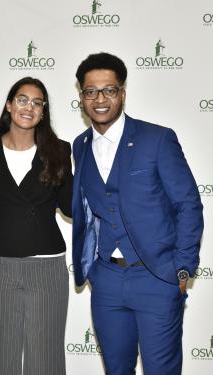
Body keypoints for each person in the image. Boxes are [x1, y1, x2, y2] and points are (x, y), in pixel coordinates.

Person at [72, 52, 203, 375]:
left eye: (109, 90)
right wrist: (93, 272)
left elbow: (188, 205)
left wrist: (181, 271)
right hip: (107, 280)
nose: (100, 99)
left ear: (123, 93)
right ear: (81, 97)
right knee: (117, 370)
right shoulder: (80, 145)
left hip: (157, 277)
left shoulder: (156, 139)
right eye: (91, 91)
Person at [0, 77, 73, 375]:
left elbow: (70, 207)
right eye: (22, 99)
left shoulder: (60, 150)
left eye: (37, 102)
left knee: (45, 360)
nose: (29, 107)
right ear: (9, 104)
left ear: (43, 112)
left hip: (47, 266)